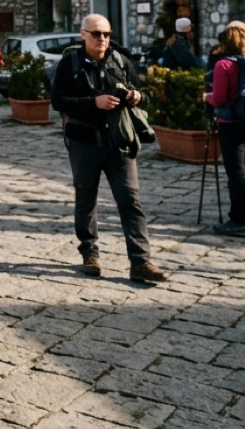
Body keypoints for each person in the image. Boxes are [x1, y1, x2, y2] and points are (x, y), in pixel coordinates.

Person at [50, 14, 169, 283]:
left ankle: (140, 261)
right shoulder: (70, 63)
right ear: (83, 34)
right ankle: (89, 253)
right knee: (86, 198)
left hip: (119, 142)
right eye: (95, 34)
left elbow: (141, 90)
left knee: (130, 200)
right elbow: (58, 100)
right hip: (84, 142)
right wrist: (94, 103)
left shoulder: (121, 59)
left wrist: (138, 96)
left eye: (106, 34)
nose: (102, 38)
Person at [203, 21, 245, 237]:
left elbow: (219, 99)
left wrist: (206, 97)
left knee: (236, 174)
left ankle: (237, 220)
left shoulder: (223, 65)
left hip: (231, 125)